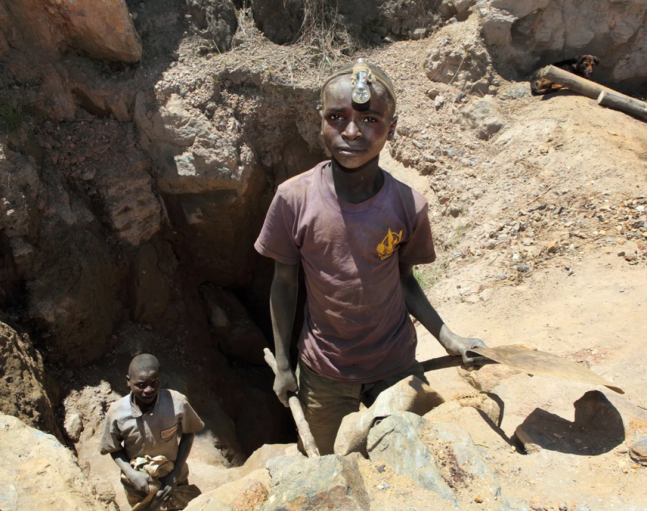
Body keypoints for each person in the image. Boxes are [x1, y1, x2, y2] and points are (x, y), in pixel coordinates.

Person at [254, 59, 487, 455]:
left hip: (395, 365)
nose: (351, 131)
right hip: (324, 371)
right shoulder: (293, 199)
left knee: (409, 458)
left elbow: (404, 280)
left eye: (369, 119)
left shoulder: (407, 205)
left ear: (391, 129)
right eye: (336, 117)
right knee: (326, 460)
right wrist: (282, 364)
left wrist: (449, 338)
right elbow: (284, 284)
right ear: (320, 122)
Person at [100, 354, 204, 510]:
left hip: (174, 480)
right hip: (139, 485)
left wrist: (174, 475)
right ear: (128, 381)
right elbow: (112, 448)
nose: (148, 390)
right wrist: (131, 473)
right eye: (141, 385)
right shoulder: (117, 412)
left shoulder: (177, 403)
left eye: (154, 383)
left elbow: (189, 432)